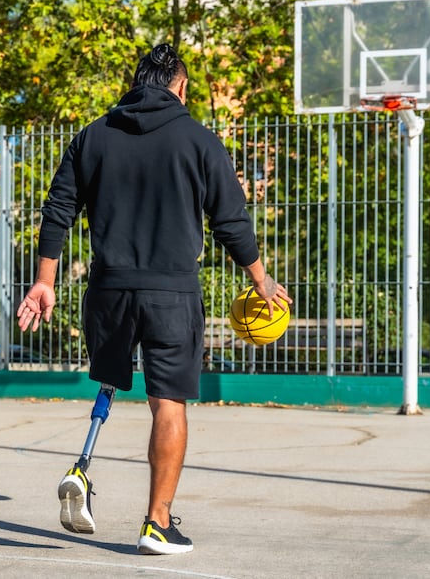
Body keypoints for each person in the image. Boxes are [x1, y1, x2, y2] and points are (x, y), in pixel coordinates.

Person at [16, 44, 291, 555]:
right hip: (171, 292)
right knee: (169, 403)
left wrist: (44, 281)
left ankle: (83, 466)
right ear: (180, 87)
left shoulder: (93, 136)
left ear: (137, 83)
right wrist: (260, 278)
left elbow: (58, 211)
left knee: (112, 375)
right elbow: (230, 221)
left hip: (110, 289)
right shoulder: (200, 141)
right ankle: (156, 523)